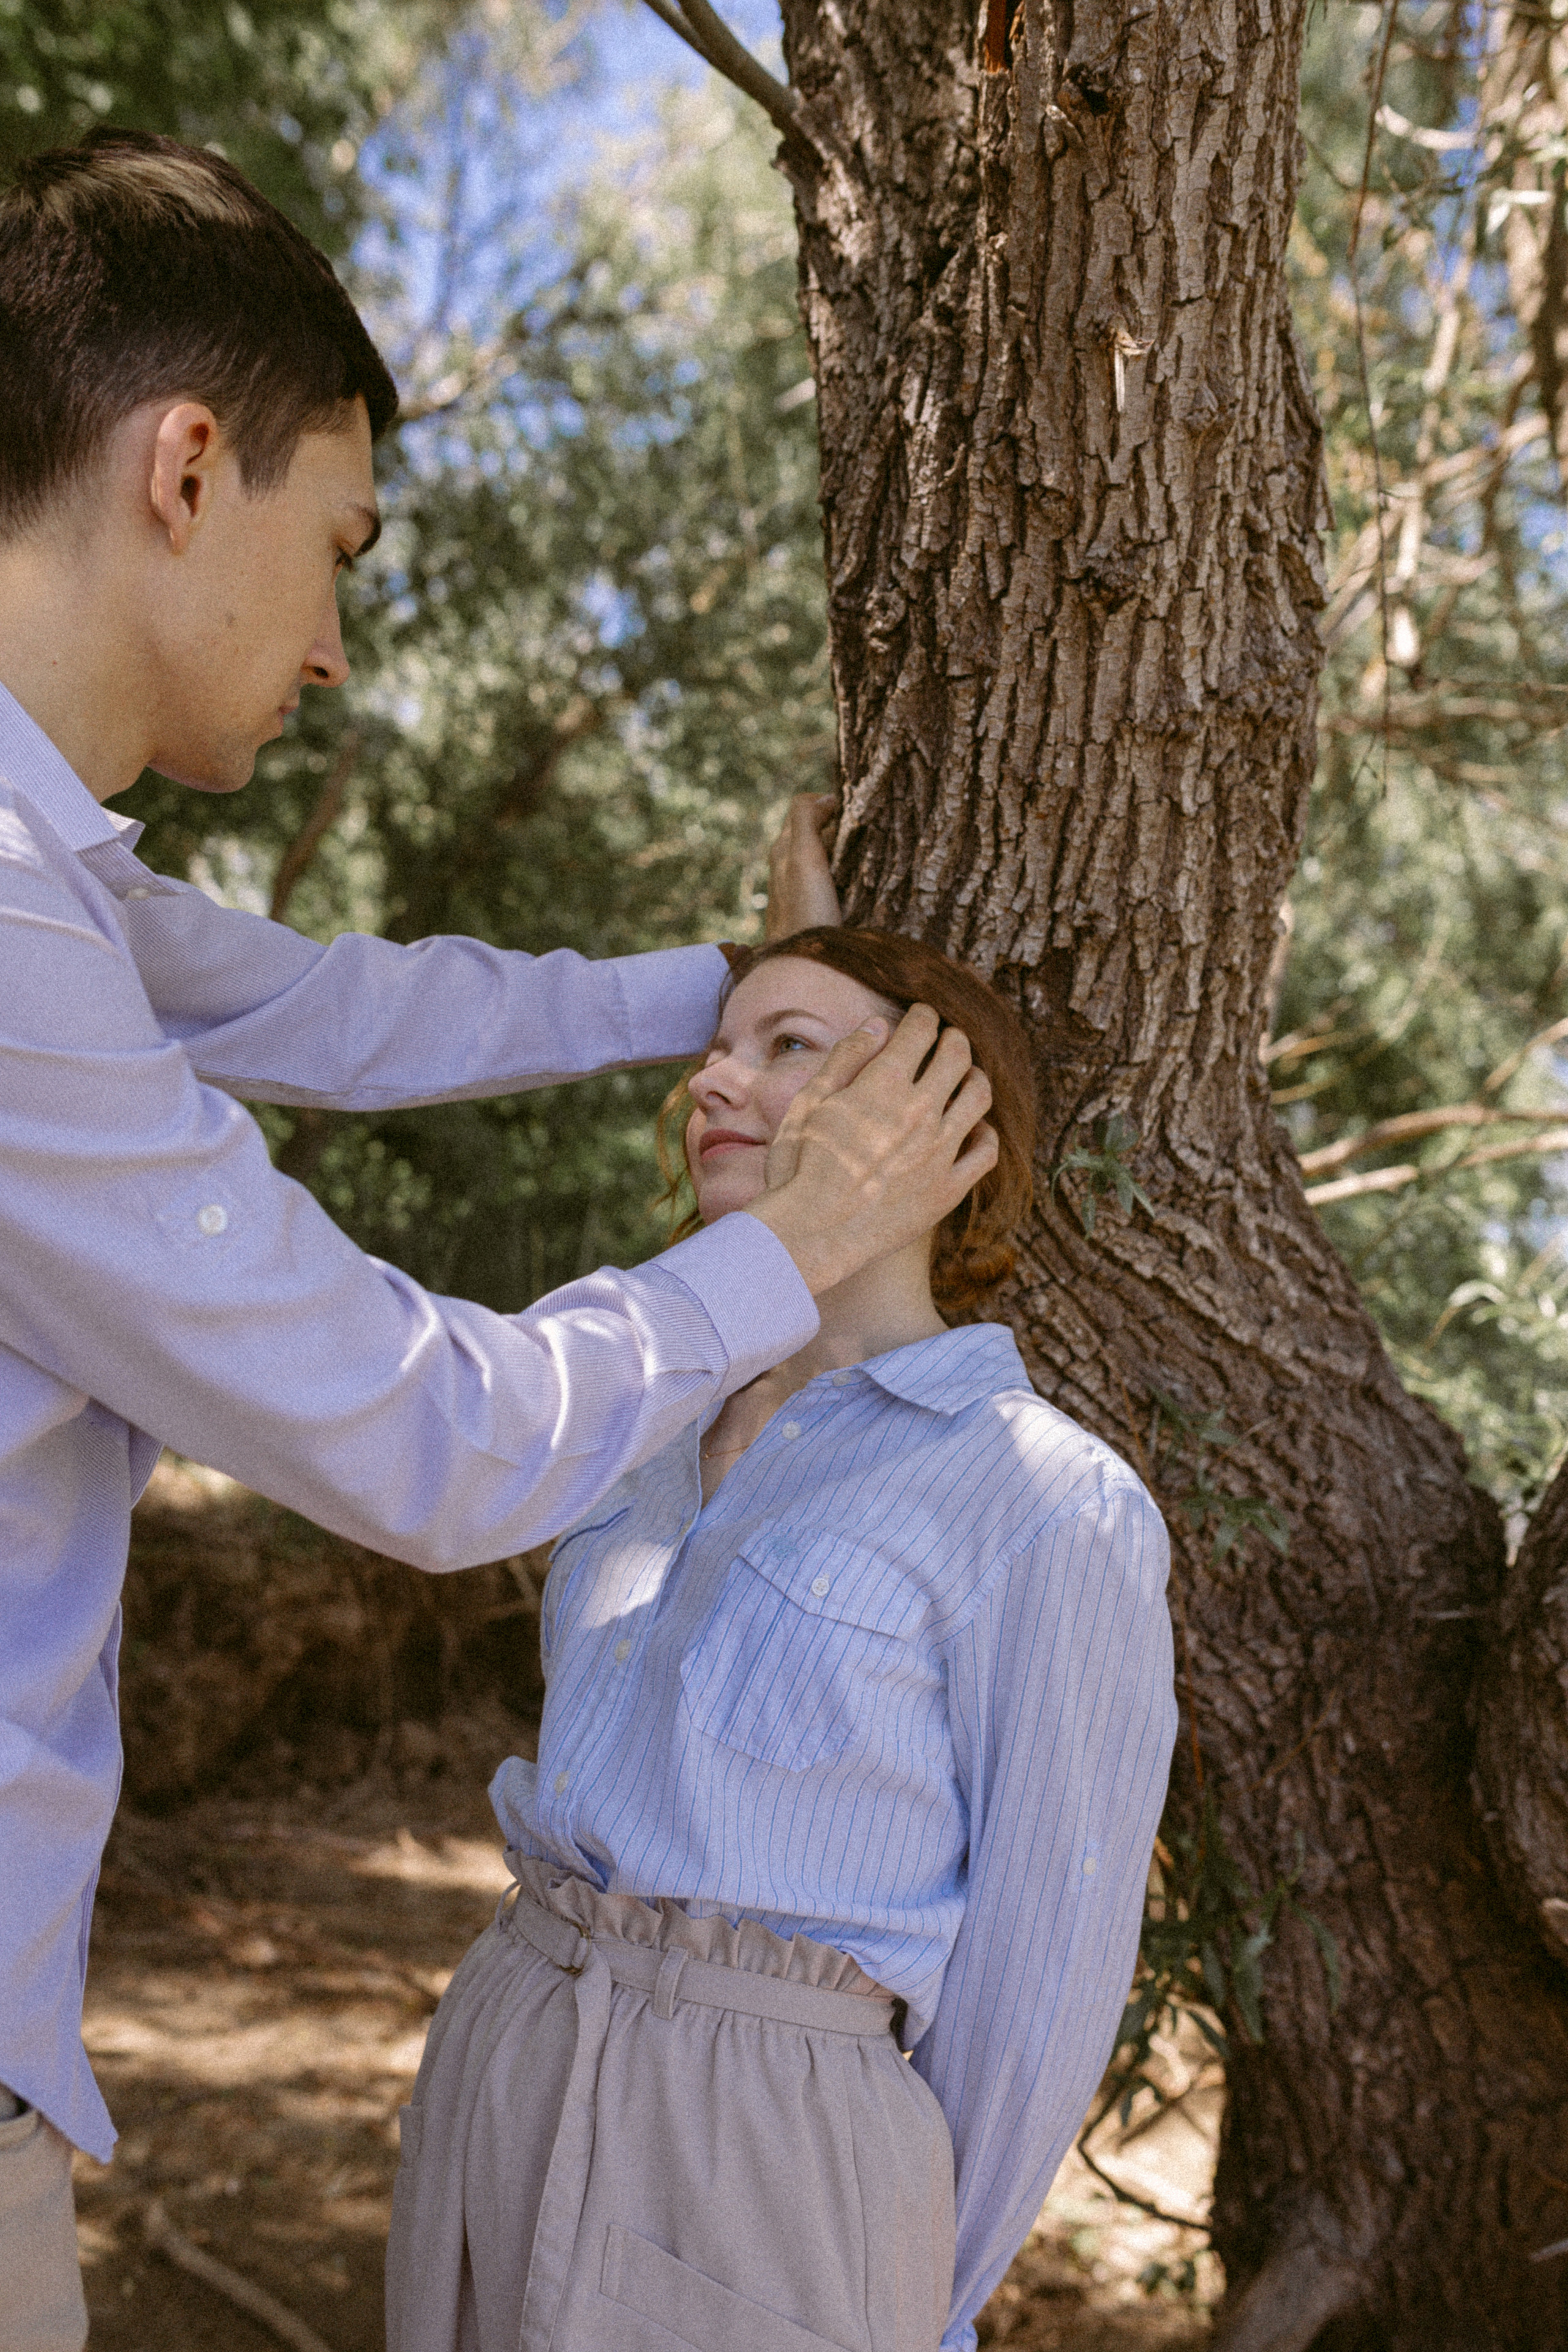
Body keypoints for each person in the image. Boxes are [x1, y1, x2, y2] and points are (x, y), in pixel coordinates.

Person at [0, 130, 997, 2352]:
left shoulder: (52, 894)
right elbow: (421, 1441)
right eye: (336, 548)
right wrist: (798, 1236)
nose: (340, 648)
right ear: (185, 469)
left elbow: (341, 1009)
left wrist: (729, 978)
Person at [386, 924, 1179, 2352]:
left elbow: (1039, 1996)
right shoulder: (644, 1425)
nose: (711, 1081)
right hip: (507, 2052)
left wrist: (892, 2287)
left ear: (938, 1109)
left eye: (787, 1048)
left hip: (768, 2151)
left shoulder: (1042, 1499)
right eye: (715, 1047)